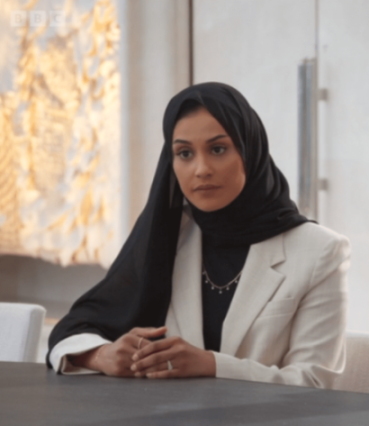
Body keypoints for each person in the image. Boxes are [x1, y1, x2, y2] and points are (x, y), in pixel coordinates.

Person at [47, 82, 349, 387]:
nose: (201, 169)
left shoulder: (320, 251)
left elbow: (315, 384)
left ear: (250, 150)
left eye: (218, 149)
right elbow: (73, 329)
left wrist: (212, 364)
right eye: (184, 153)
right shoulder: (168, 236)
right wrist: (103, 355)